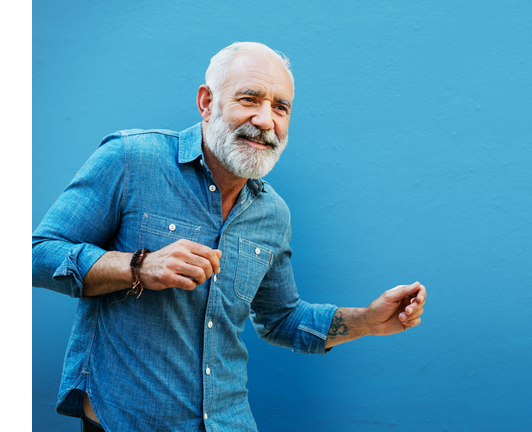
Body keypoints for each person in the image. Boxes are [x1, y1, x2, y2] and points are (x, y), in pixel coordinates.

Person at [32, 41, 427, 432]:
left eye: (280, 107)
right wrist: (139, 266)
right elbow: (37, 255)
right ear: (207, 103)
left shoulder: (273, 214)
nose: (265, 120)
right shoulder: (132, 159)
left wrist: (367, 322)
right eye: (249, 99)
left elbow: (281, 319)